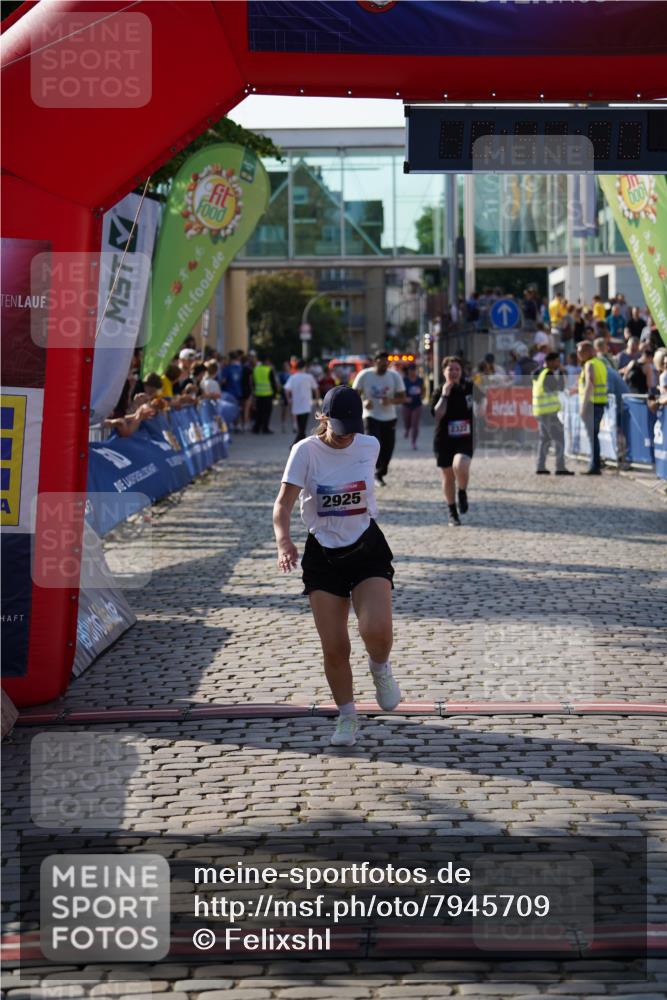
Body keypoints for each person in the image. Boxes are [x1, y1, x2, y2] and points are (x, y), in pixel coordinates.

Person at [273, 386, 401, 747]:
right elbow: (282, 505)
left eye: (352, 428)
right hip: (323, 554)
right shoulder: (304, 452)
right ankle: (347, 716)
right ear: (323, 418)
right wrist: (284, 541)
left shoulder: (369, 445)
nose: (346, 437)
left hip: (366, 546)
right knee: (335, 646)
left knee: (376, 629)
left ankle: (380, 668)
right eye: (339, 428)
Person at [431, 356, 474, 527]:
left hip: (465, 437)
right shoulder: (439, 391)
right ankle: (452, 511)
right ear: (444, 372)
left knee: (461, 464)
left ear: (461, 371)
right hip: (444, 439)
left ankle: (462, 491)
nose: (454, 372)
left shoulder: (469, 387)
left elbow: (483, 404)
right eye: (451, 369)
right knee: (448, 476)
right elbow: (437, 414)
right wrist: (445, 395)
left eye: (457, 369)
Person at [352, 351, 406, 486]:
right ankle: (373, 472)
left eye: (386, 363)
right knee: (374, 444)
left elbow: (402, 397)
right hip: (371, 416)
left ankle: (380, 472)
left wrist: (391, 401)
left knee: (388, 448)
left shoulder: (394, 376)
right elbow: (353, 396)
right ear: (375, 362)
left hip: (389, 417)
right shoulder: (365, 375)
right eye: (382, 363)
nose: (384, 366)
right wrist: (363, 402)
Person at [531, 352, 574, 476]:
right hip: (548, 412)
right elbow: (559, 387)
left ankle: (540, 466)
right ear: (550, 361)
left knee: (544, 439)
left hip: (540, 411)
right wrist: (561, 373)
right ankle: (560, 467)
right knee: (559, 438)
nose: (558, 364)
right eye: (557, 361)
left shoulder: (538, 373)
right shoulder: (548, 374)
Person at [576, 340, 609, 475]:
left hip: (591, 404)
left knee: (592, 436)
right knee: (593, 435)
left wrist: (583, 407)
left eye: (580, 352)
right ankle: (595, 464)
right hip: (600, 403)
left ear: (588, 352)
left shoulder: (589, 365)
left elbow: (590, 385)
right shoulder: (600, 363)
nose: (579, 355)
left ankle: (594, 466)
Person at [285, 359, 319, 444]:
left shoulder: (293, 377)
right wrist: (317, 400)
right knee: (302, 428)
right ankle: (295, 445)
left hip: (296, 405)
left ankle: (300, 444)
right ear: (305, 367)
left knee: (301, 427)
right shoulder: (309, 377)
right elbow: (316, 389)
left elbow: (286, 390)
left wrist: (289, 399)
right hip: (306, 405)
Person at [252, 355, 278, 434]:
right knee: (267, 412)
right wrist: (275, 394)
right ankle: (265, 428)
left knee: (258, 412)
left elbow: (253, 382)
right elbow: (273, 383)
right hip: (267, 394)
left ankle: (256, 428)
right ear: (267, 361)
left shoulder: (255, 369)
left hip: (258, 394)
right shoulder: (268, 370)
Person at [402, 363, 424, 450]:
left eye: (414, 370)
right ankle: (407, 429)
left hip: (417, 404)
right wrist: (405, 398)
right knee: (407, 421)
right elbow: (400, 392)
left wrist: (422, 395)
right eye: (411, 370)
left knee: (415, 424)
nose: (413, 372)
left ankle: (413, 442)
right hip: (406, 405)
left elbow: (423, 389)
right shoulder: (404, 380)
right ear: (408, 371)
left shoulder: (420, 380)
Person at [278, 361, 292, 433]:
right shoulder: (281, 375)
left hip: (291, 394)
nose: (285, 367)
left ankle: (295, 425)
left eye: (286, 366)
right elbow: (279, 385)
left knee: (293, 410)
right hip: (283, 394)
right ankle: (284, 425)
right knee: (284, 410)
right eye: (284, 366)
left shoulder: (291, 374)